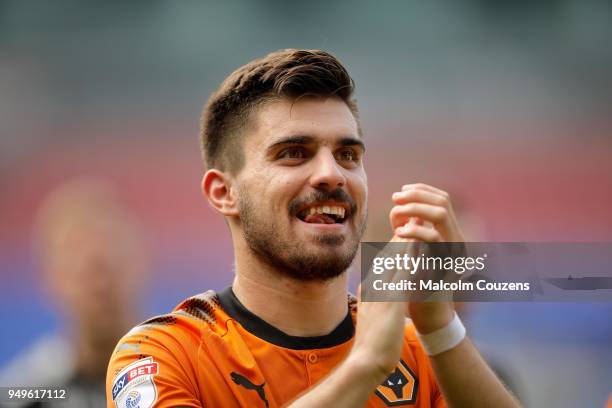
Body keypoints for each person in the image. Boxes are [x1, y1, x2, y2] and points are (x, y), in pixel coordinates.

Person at [106, 49, 520, 407]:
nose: (331, 174)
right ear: (223, 192)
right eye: (293, 153)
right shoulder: (162, 355)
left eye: (347, 154)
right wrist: (365, 365)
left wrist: (440, 328)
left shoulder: (420, 351)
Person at [0, 179, 147, 408]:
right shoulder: (25, 395)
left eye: (107, 267)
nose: (100, 286)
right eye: (83, 273)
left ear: (137, 263)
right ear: (52, 278)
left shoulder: (189, 375)